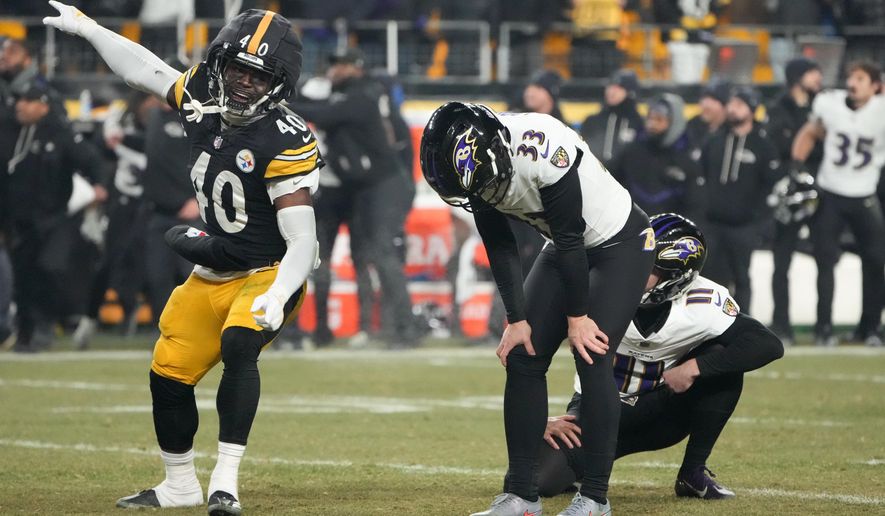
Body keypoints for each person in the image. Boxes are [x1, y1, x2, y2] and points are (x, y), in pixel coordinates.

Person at [44, 3, 322, 514]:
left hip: (267, 269)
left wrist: (280, 294)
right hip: (215, 267)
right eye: (236, 68)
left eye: (257, 76)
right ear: (219, 63)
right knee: (168, 370)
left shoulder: (287, 139)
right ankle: (179, 485)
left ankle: (225, 481)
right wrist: (89, 28)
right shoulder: (199, 95)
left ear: (279, 83)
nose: (242, 83)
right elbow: (142, 68)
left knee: (240, 344)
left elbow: (304, 241)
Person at [421, 102, 655, 516]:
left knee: (592, 354)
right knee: (522, 355)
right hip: (565, 245)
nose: (478, 195)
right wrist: (517, 319)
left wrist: (578, 318)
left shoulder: (543, 145)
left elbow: (570, 237)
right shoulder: (479, 165)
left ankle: (596, 498)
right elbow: (501, 244)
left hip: (621, 244)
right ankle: (521, 495)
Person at [537, 213, 784, 499]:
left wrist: (696, 366)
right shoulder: (597, 287)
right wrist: (539, 420)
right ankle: (583, 465)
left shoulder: (702, 302)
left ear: (675, 275)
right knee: (539, 481)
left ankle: (693, 473)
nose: (632, 267)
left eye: (647, 264)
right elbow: (530, 354)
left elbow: (766, 344)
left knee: (722, 361)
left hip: (660, 414)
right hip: (596, 410)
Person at [289, 47, 422, 347]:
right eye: (333, 65)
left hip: (385, 186)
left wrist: (284, 102)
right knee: (379, 255)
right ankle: (399, 327)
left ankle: (406, 328)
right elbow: (320, 105)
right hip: (369, 189)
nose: (335, 70)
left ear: (357, 68)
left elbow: (322, 112)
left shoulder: (363, 95)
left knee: (383, 253)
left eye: (343, 65)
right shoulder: (348, 96)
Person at [6, 81, 107, 352]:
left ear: (42, 105)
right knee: (22, 276)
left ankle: (45, 324)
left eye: (27, 101)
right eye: (20, 100)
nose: (20, 106)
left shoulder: (59, 133)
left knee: (49, 267)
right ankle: (25, 334)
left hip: (54, 218)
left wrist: (99, 184)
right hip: (18, 219)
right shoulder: (10, 132)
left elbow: (91, 159)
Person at [792, 61, 885, 347]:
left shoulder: (881, 109)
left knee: (876, 261)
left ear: (875, 86)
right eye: (850, 77)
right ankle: (823, 328)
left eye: (860, 78)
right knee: (825, 261)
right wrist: (796, 167)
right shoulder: (829, 104)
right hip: (831, 192)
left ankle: (869, 328)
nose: (852, 83)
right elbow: (810, 132)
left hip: (865, 193)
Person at [698, 86, 781, 311]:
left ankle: (743, 330)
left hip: (744, 226)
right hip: (713, 223)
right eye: (731, 104)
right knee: (711, 280)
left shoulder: (763, 145)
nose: (733, 109)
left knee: (741, 278)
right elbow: (702, 175)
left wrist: (759, 222)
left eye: (739, 105)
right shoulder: (714, 140)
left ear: (752, 110)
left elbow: (770, 186)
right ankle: (711, 330)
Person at [764, 57, 823, 345]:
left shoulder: (822, 105)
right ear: (797, 77)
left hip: (820, 193)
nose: (818, 79)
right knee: (782, 261)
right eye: (813, 73)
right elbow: (777, 146)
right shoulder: (777, 109)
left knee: (826, 258)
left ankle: (823, 327)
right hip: (790, 195)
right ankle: (781, 324)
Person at [609, 92, 702, 219]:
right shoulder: (632, 152)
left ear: (675, 123)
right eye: (650, 118)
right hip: (633, 230)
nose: (652, 124)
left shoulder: (687, 158)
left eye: (659, 119)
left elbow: (695, 207)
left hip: (671, 231)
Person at [579, 69, 642, 166]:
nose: (611, 91)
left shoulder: (638, 124)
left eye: (618, 87)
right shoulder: (592, 121)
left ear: (630, 92)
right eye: (610, 86)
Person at [685, 79, 731, 153]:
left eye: (712, 100)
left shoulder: (733, 130)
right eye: (703, 99)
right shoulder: (692, 125)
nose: (705, 104)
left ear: (724, 105)